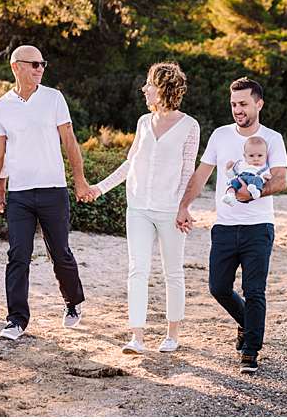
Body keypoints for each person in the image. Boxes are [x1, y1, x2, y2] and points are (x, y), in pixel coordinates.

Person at [84, 62, 200, 354]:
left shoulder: (189, 126)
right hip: (138, 207)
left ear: (164, 88)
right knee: (138, 270)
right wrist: (100, 188)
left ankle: (172, 334)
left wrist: (183, 207)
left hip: (170, 210)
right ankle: (137, 335)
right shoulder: (143, 123)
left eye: (149, 84)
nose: (144, 89)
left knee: (173, 272)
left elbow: (188, 172)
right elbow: (129, 163)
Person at [177, 77, 287, 374]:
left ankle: (251, 351)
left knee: (255, 291)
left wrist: (252, 193)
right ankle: (246, 322)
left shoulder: (273, 138)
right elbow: (202, 175)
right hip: (224, 227)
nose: (237, 109)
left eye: (243, 104)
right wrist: (184, 205)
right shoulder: (220, 135)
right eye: (234, 104)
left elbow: (280, 179)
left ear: (259, 104)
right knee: (218, 287)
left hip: (258, 228)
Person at [0, 45, 91, 341]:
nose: (40, 68)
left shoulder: (53, 98)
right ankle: (16, 320)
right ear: (16, 67)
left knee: (60, 254)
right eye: (33, 64)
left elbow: (69, 142)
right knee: (18, 254)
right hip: (19, 193)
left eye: (42, 64)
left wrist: (79, 181)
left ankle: (73, 302)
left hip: (53, 190)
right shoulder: (2, 105)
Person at [219, 137, 274, 207]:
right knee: (232, 183)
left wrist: (268, 177)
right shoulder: (241, 164)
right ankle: (230, 197)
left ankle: (256, 192)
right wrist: (228, 168)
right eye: (251, 156)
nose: (256, 159)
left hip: (254, 177)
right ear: (245, 156)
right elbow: (231, 175)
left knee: (256, 181)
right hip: (240, 178)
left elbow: (268, 177)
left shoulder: (265, 166)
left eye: (260, 155)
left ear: (266, 156)